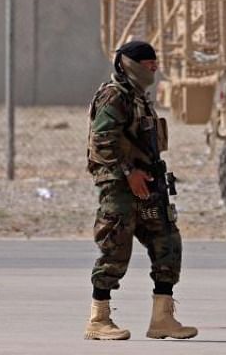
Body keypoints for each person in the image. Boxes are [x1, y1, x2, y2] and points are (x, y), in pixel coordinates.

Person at [85, 40, 197, 341]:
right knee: (115, 246)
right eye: (149, 63)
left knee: (167, 241)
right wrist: (127, 172)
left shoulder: (139, 98)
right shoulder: (114, 96)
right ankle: (99, 319)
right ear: (131, 64)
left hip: (147, 185)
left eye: (154, 63)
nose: (154, 68)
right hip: (121, 187)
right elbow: (102, 141)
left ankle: (163, 318)